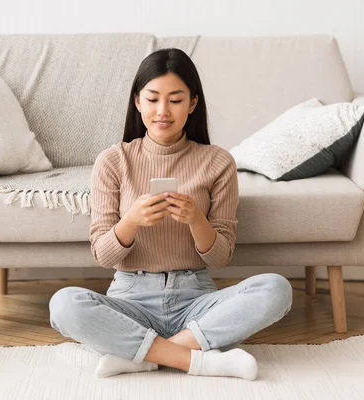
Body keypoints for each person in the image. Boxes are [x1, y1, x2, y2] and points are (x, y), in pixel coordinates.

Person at [49, 48, 292, 380]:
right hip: (130, 298)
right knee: (64, 305)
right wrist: (131, 220)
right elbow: (102, 254)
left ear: (192, 103)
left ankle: (142, 356)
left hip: (196, 299)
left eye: (175, 100)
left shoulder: (218, 162)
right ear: (137, 102)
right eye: (152, 99)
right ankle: (196, 360)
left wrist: (196, 219)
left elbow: (221, 257)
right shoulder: (113, 161)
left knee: (277, 289)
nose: (162, 111)